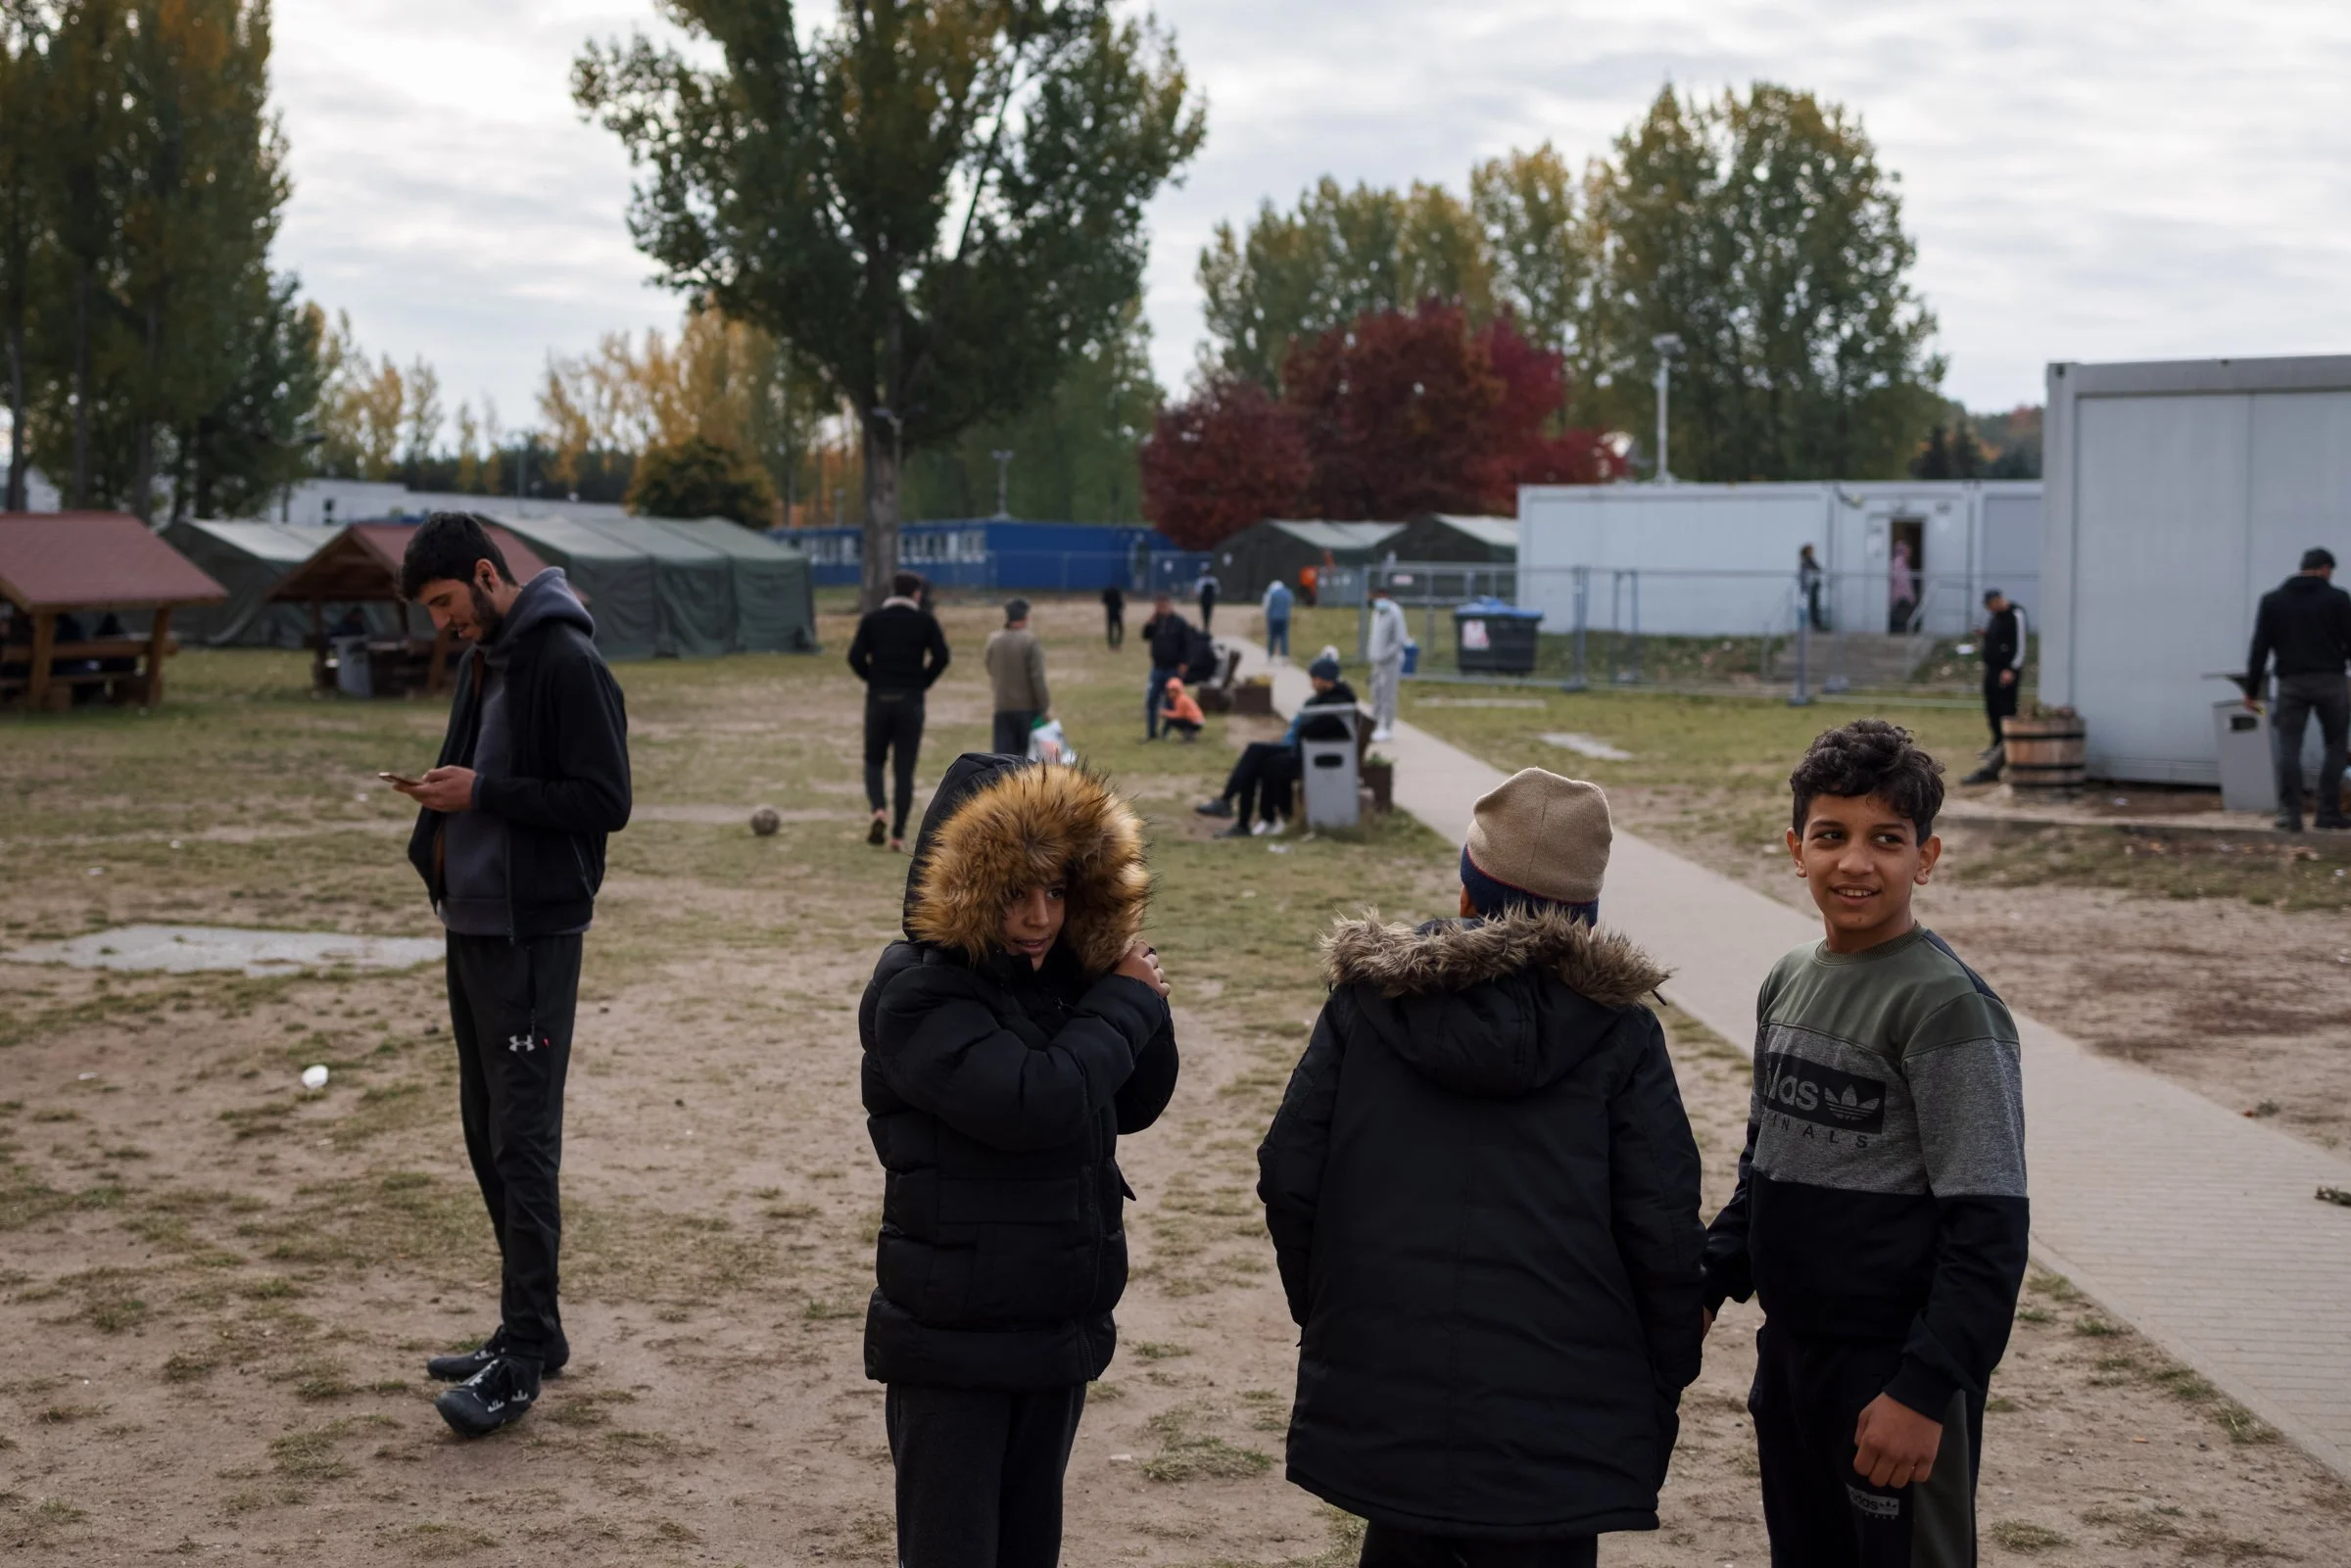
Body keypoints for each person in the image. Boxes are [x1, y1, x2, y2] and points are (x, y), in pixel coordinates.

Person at [1258, 768, 1704, 1567]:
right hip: (1560, 1427)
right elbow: (1663, 1224)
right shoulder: (1623, 1037)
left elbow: (1289, 1172)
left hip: (1391, 1390)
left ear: (1467, 895)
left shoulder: (1369, 1005)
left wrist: (1334, 1312)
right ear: (1587, 919)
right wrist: (1667, 1367)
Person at [1703, 719, 2028, 1568]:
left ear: (1927, 856)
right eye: (1832, 835)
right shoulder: (1788, 980)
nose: (1856, 862)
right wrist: (1708, 1278)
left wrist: (1923, 1390)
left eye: (1887, 839)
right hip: (1795, 1358)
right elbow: (1766, 1163)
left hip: (1896, 1374)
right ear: (1794, 847)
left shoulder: (1947, 1008)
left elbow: (1989, 1226)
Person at [861, 754, 1178, 1568]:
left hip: (1050, 1328)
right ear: (964, 887)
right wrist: (1126, 1002)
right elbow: (1034, 1101)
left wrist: (1124, 978)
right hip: (954, 1343)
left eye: (1059, 892)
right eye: (1015, 893)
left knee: (1029, 1548)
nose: (1039, 916)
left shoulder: (1062, 978)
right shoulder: (918, 991)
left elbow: (1133, 1102)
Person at [390, 512, 633, 1439]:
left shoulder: (566, 660)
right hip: (474, 925)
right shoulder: (481, 658)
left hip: (534, 934)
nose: (444, 624)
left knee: (523, 1139)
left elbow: (606, 800)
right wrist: (442, 801)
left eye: (449, 603)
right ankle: (533, 1325)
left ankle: (522, 1358)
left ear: (488, 576)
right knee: (488, 1127)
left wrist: (481, 793)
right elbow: (477, 773)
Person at [2242, 546, 2351, 832]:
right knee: (2336, 745)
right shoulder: (2339, 599)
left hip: (2291, 684)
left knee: (2290, 747)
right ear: (2326, 569)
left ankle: (2290, 814)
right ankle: (2328, 812)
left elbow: (2260, 648)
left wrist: (2251, 691)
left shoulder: (2273, 601)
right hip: (2331, 682)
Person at [1195, 654, 1358, 837]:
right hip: (1304, 749)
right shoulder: (1324, 699)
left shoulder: (1338, 702)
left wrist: (1304, 727)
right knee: (1254, 751)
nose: (1311, 683)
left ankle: (1243, 816)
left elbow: (1310, 729)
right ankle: (1230, 807)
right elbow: (1306, 728)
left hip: (1315, 755)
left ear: (1326, 680)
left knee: (1263, 763)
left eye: (1314, 678)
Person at [849, 571, 952, 851]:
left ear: (892, 591)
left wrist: (873, 678)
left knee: (873, 760)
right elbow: (942, 656)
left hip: (879, 699)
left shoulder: (872, 621)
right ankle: (897, 834)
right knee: (904, 769)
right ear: (916, 594)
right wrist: (922, 682)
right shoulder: (924, 621)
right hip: (910, 701)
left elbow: (854, 657)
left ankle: (879, 809)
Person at [1961, 590, 2028, 785]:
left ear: (1998, 600)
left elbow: (2020, 645)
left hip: (2006, 671)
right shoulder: (1995, 617)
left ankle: (2005, 748)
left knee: (2006, 708)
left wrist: (2012, 668)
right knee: (1992, 707)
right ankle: (1997, 742)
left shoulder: (2016, 614)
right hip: (1992, 668)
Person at [984, 597, 1050, 757]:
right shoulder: (1030, 641)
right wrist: (1044, 705)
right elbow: (1037, 677)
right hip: (1027, 709)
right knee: (1026, 761)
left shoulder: (994, 640)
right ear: (1026, 617)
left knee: (1003, 761)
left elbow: (989, 666)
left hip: (1002, 707)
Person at [1140, 594, 1192, 740]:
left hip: (1173, 668)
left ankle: (1165, 732)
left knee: (1170, 701)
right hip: (1157, 667)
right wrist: (1149, 623)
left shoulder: (1179, 623)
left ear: (1170, 605)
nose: (1160, 608)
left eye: (1163, 605)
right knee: (1152, 699)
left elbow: (1188, 645)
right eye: (1158, 606)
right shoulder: (1155, 622)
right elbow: (1145, 636)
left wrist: (1184, 663)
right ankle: (1151, 732)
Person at [1366, 582, 1407, 743]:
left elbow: (1400, 640)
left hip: (1390, 661)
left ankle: (1387, 728)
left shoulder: (1394, 613)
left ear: (1384, 597)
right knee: (1375, 694)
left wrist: (1385, 655)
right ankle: (1374, 725)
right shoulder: (1376, 613)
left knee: (1388, 694)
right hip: (1376, 661)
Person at [1159, 676, 1204, 741]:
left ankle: (1189, 734)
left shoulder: (1180, 700)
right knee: (1174, 719)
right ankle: (1189, 733)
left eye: (1172, 691)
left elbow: (1180, 714)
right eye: (1169, 691)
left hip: (1195, 722)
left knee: (1171, 720)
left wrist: (1165, 713)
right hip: (1197, 722)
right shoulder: (1181, 698)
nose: (1170, 693)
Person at [1888, 541, 1918, 634]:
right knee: (1901, 617)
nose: (1910, 553)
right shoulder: (1899, 563)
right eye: (1908, 551)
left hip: (1901, 597)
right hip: (1901, 597)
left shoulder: (1903, 564)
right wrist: (1911, 597)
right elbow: (1903, 583)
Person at [1262, 576, 1294, 660]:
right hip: (1284, 618)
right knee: (1284, 637)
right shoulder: (1288, 593)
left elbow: (1267, 606)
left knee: (1272, 637)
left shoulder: (1272, 594)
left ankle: (1270, 655)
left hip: (1273, 618)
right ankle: (1285, 656)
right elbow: (1291, 604)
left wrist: (1266, 616)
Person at [1799, 545, 1827, 632]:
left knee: (1814, 607)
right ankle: (1812, 626)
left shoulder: (1810, 561)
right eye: (1811, 551)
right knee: (1810, 607)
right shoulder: (1806, 562)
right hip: (1808, 588)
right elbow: (1811, 572)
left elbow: (1818, 569)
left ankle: (1816, 625)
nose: (1812, 553)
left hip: (1813, 587)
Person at [1100, 581, 1126, 649]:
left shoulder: (1107, 591)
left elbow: (1103, 601)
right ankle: (1118, 643)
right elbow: (1121, 602)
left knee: (1110, 629)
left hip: (1109, 612)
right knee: (1120, 629)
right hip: (1117, 612)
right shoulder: (1118, 591)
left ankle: (1111, 644)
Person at [1196, 566, 1221, 632]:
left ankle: (1207, 626)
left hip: (1209, 599)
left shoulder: (1213, 580)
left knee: (1208, 613)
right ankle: (1205, 626)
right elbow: (1198, 591)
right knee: (1204, 613)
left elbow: (1217, 590)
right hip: (1205, 599)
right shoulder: (1202, 580)